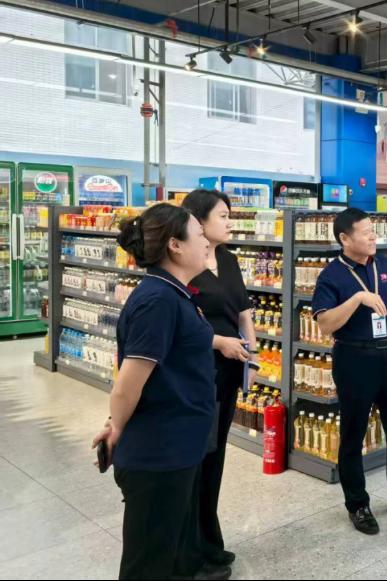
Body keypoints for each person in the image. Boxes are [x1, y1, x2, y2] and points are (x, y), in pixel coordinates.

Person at [90, 204, 230, 580]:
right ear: (175, 245)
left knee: (166, 553)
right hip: (158, 454)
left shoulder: (174, 294)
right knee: (147, 565)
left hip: (177, 446)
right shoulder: (158, 301)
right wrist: (116, 426)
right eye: (198, 234)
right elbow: (128, 383)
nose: (206, 241)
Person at [313, 208, 387, 535]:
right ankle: (357, 504)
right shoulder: (331, 275)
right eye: (365, 232)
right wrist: (357, 299)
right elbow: (325, 324)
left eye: (372, 230)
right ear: (344, 238)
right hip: (354, 357)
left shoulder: (385, 264)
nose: (373, 236)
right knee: (353, 432)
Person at [183, 189, 259, 567]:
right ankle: (191, 545)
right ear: (198, 221)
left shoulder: (228, 259)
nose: (230, 223)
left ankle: (209, 540)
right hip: (198, 372)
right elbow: (179, 323)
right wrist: (218, 343)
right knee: (196, 457)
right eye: (223, 216)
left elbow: (243, 310)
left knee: (215, 455)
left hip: (229, 372)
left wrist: (252, 354)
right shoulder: (184, 263)